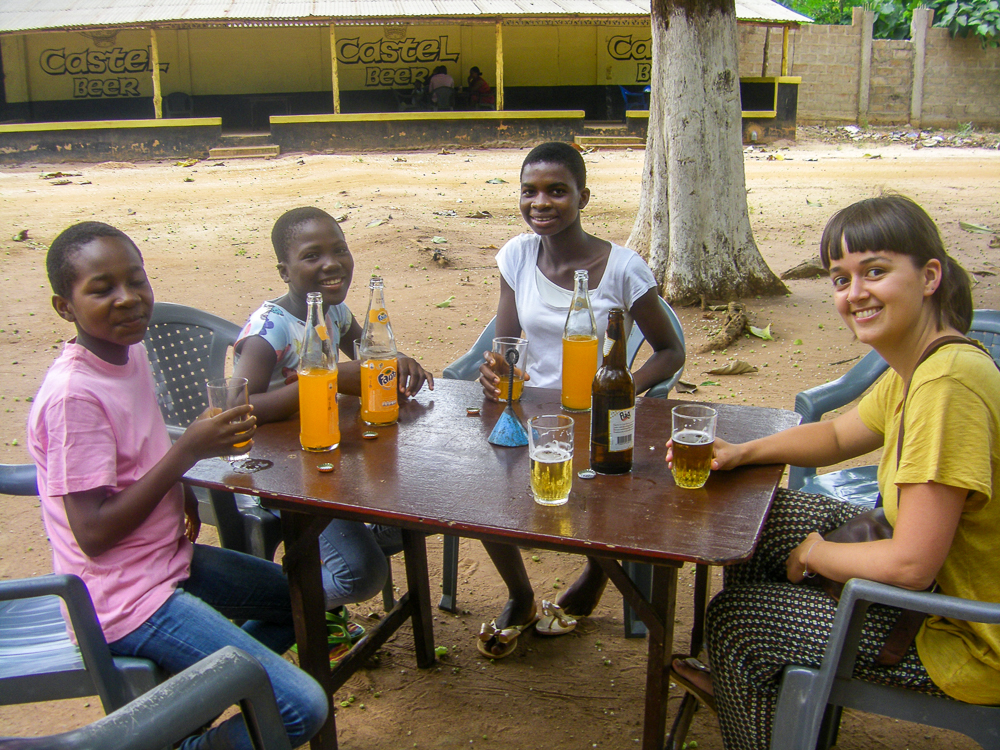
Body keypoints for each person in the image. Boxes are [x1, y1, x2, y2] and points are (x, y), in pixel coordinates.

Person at [667, 194, 1000, 750]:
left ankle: (753, 688)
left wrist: (816, 554)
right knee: (762, 519)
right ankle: (774, 699)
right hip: (933, 587)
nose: (855, 294)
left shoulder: (947, 388)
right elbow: (841, 434)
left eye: (875, 271)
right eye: (841, 279)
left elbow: (912, 563)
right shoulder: (927, 362)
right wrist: (742, 452)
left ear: (930, 276)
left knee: (737, 623)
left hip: (965, 635)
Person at [27, 221, 328, 750]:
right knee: (299, 707)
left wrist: (180, 487)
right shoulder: (74, 397)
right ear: (63, 306)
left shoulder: (126, 351)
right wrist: (187, 451)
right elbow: (92, 533)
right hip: (125, 599)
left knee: (303, 597)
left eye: (136, 280)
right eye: (102, 289)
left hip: (169, 558)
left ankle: (181, 708)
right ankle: (175, 736)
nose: (128, 300)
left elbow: (135, 454)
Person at [475, 141, 685, 657]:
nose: (540, 203)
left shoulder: (622, 268)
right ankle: (521, 595)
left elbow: (671, 350)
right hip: (532, 410)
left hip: (598, 417)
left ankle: (593, 578)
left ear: (583, 197)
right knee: (480, 490)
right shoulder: (516, 255)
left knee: (611, 499)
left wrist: (620, 388)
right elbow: (509, 346)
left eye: (556, 191)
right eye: (529, 191)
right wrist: (498, 371)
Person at [232, 206, 434, 662]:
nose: (331, 263)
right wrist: (326, 380)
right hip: (280, 477)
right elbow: (237, 406)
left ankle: (317, 591)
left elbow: (368, 358)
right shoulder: (271, 328)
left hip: (329, 466)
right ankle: (257, 628)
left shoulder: (335, 310)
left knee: (408, 525)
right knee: (362, 575)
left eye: (339, 249)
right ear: (284, 271)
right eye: (312, 256)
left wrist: (398, 363)